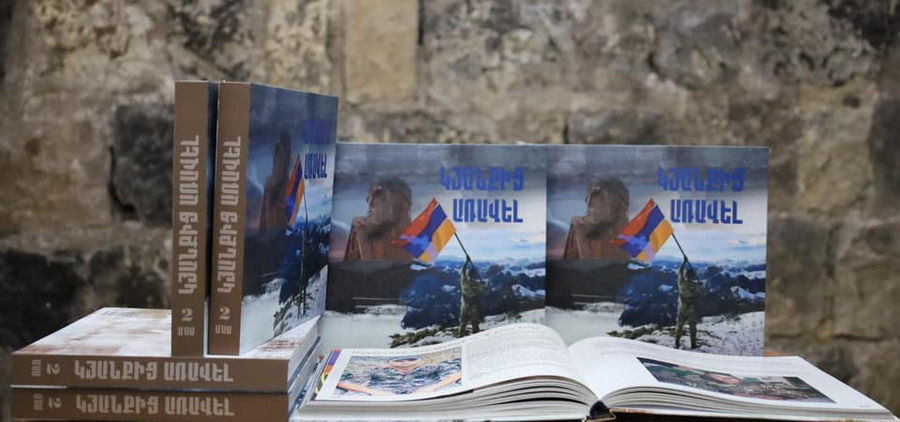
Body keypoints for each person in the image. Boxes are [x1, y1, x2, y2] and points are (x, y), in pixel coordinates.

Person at [336, 355, 462, 396]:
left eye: (411, 359)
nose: (405, 362)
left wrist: (431, 388)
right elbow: (342, 382)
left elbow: (456, 374)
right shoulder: (377, 370)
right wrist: (374, 392)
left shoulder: (429, 367)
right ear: (389, 362)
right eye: (399, 361)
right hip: (381, 400)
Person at [675, 257, 703, 349]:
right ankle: (693, 344)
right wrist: (700, 285)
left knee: (679, 326)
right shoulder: (695, 285)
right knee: (693, 327)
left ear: (686, 276)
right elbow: (702, 290)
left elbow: (680, 272)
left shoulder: (681, 283)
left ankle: (677, 343)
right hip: (691, 310)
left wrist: (684, 262)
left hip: (682, 308)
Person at [458, 257, 486, 337]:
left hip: (464, 306)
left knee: (462, 325)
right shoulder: (477, 285)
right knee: (475, 324)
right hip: (474, 308)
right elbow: (484, 292)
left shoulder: (464, 282)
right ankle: (476, 338)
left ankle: (460, 337)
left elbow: (462, 272)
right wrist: (483, 285)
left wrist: (466, 262)